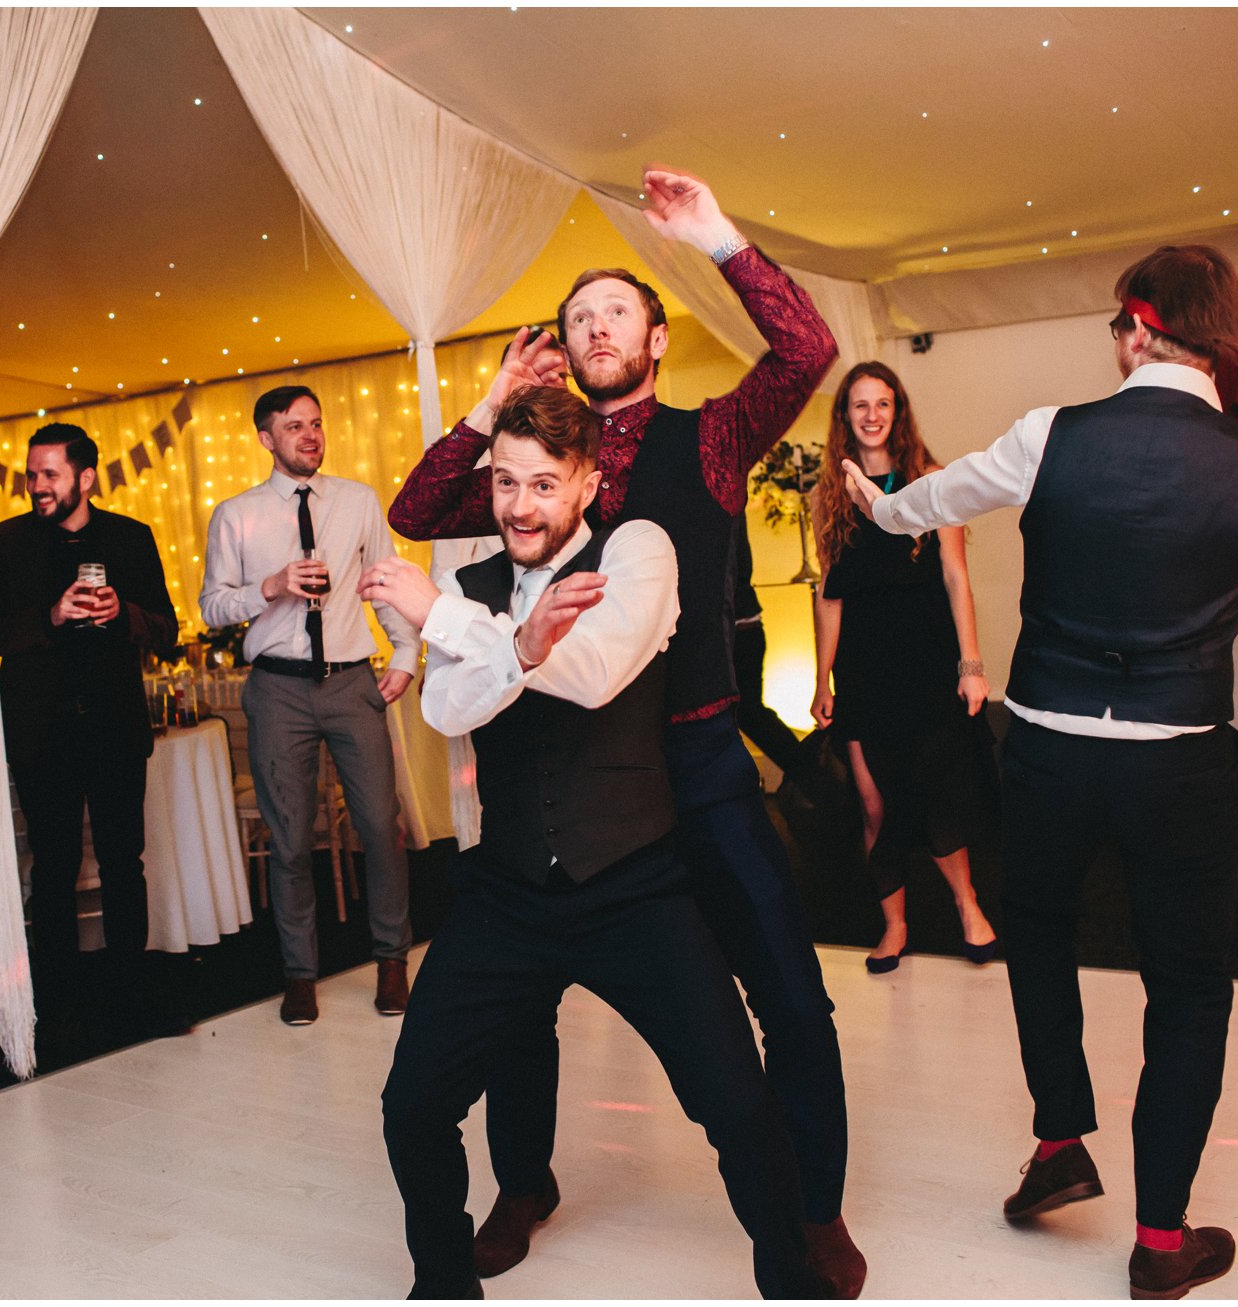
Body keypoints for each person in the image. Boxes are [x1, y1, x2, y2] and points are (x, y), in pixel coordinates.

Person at [389, 167, 863, 1295]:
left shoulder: (706, 437)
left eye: (617, 309)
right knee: (518, 998)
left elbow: (806, 353)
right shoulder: (527, 473)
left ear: (653, 334)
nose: (595, 325)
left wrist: (713, 236)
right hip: (555, 767)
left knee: (787, 994)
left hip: (695, 755)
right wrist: (493, 397)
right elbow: (414, 512)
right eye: (577, 315)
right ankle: (524, 1181)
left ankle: (812, 1207)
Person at [841, 245, 1238, 1299]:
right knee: (1184, 989)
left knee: (1037, 936)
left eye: (1114, 324)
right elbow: (1232, 541)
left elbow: (923, 505)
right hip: (1178, 760)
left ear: (1137, 329)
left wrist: (871, 499)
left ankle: (1059, 1139)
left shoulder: (1047, 434)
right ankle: (1158, 1236)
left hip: (1047, 749)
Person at [200, 385, 420, 1025]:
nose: (311, 435)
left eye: (316, 424)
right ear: (266, 438)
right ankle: (300, 975)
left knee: (381, 826)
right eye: (294, 426)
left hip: (352, 681)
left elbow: (383, 584)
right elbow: (212, 607)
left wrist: (404, 656)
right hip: (276, 689)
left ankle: (392, 963)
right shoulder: (235, 515)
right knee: (292, 841)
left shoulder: (357, 501)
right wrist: (269, 587)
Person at [0, 422, 181, 1033]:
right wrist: (50, 615)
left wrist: (124, 615)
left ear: (85, 478)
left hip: (116, 728)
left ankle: (130, 987)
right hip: (42, 734)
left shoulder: (130, 538)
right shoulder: (3, 544)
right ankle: (59, 997)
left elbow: (168, 631)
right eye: (32, 474)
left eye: (50, 475)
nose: (37, 486)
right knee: (53, 864)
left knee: (125, 860)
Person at [808, 362, 997, 973]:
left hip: (927, 664)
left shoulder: (931, 480)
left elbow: (955, 577)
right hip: (864, 672)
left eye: (882, 403)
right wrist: (820, 679)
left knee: (939, 795)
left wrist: (971, 664)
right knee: (873, 805)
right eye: (859, 405)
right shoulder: (828, 495)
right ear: (845, 417)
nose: (871, 415)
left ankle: (968, 908)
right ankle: (895, 925)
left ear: (898, 410)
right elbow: (829, 593)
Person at [730, 517, 807, 788]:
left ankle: (811, 773)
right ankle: (811, 773)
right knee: (747, 714)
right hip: (740, 623)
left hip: (735, 626)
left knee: (747, 713)